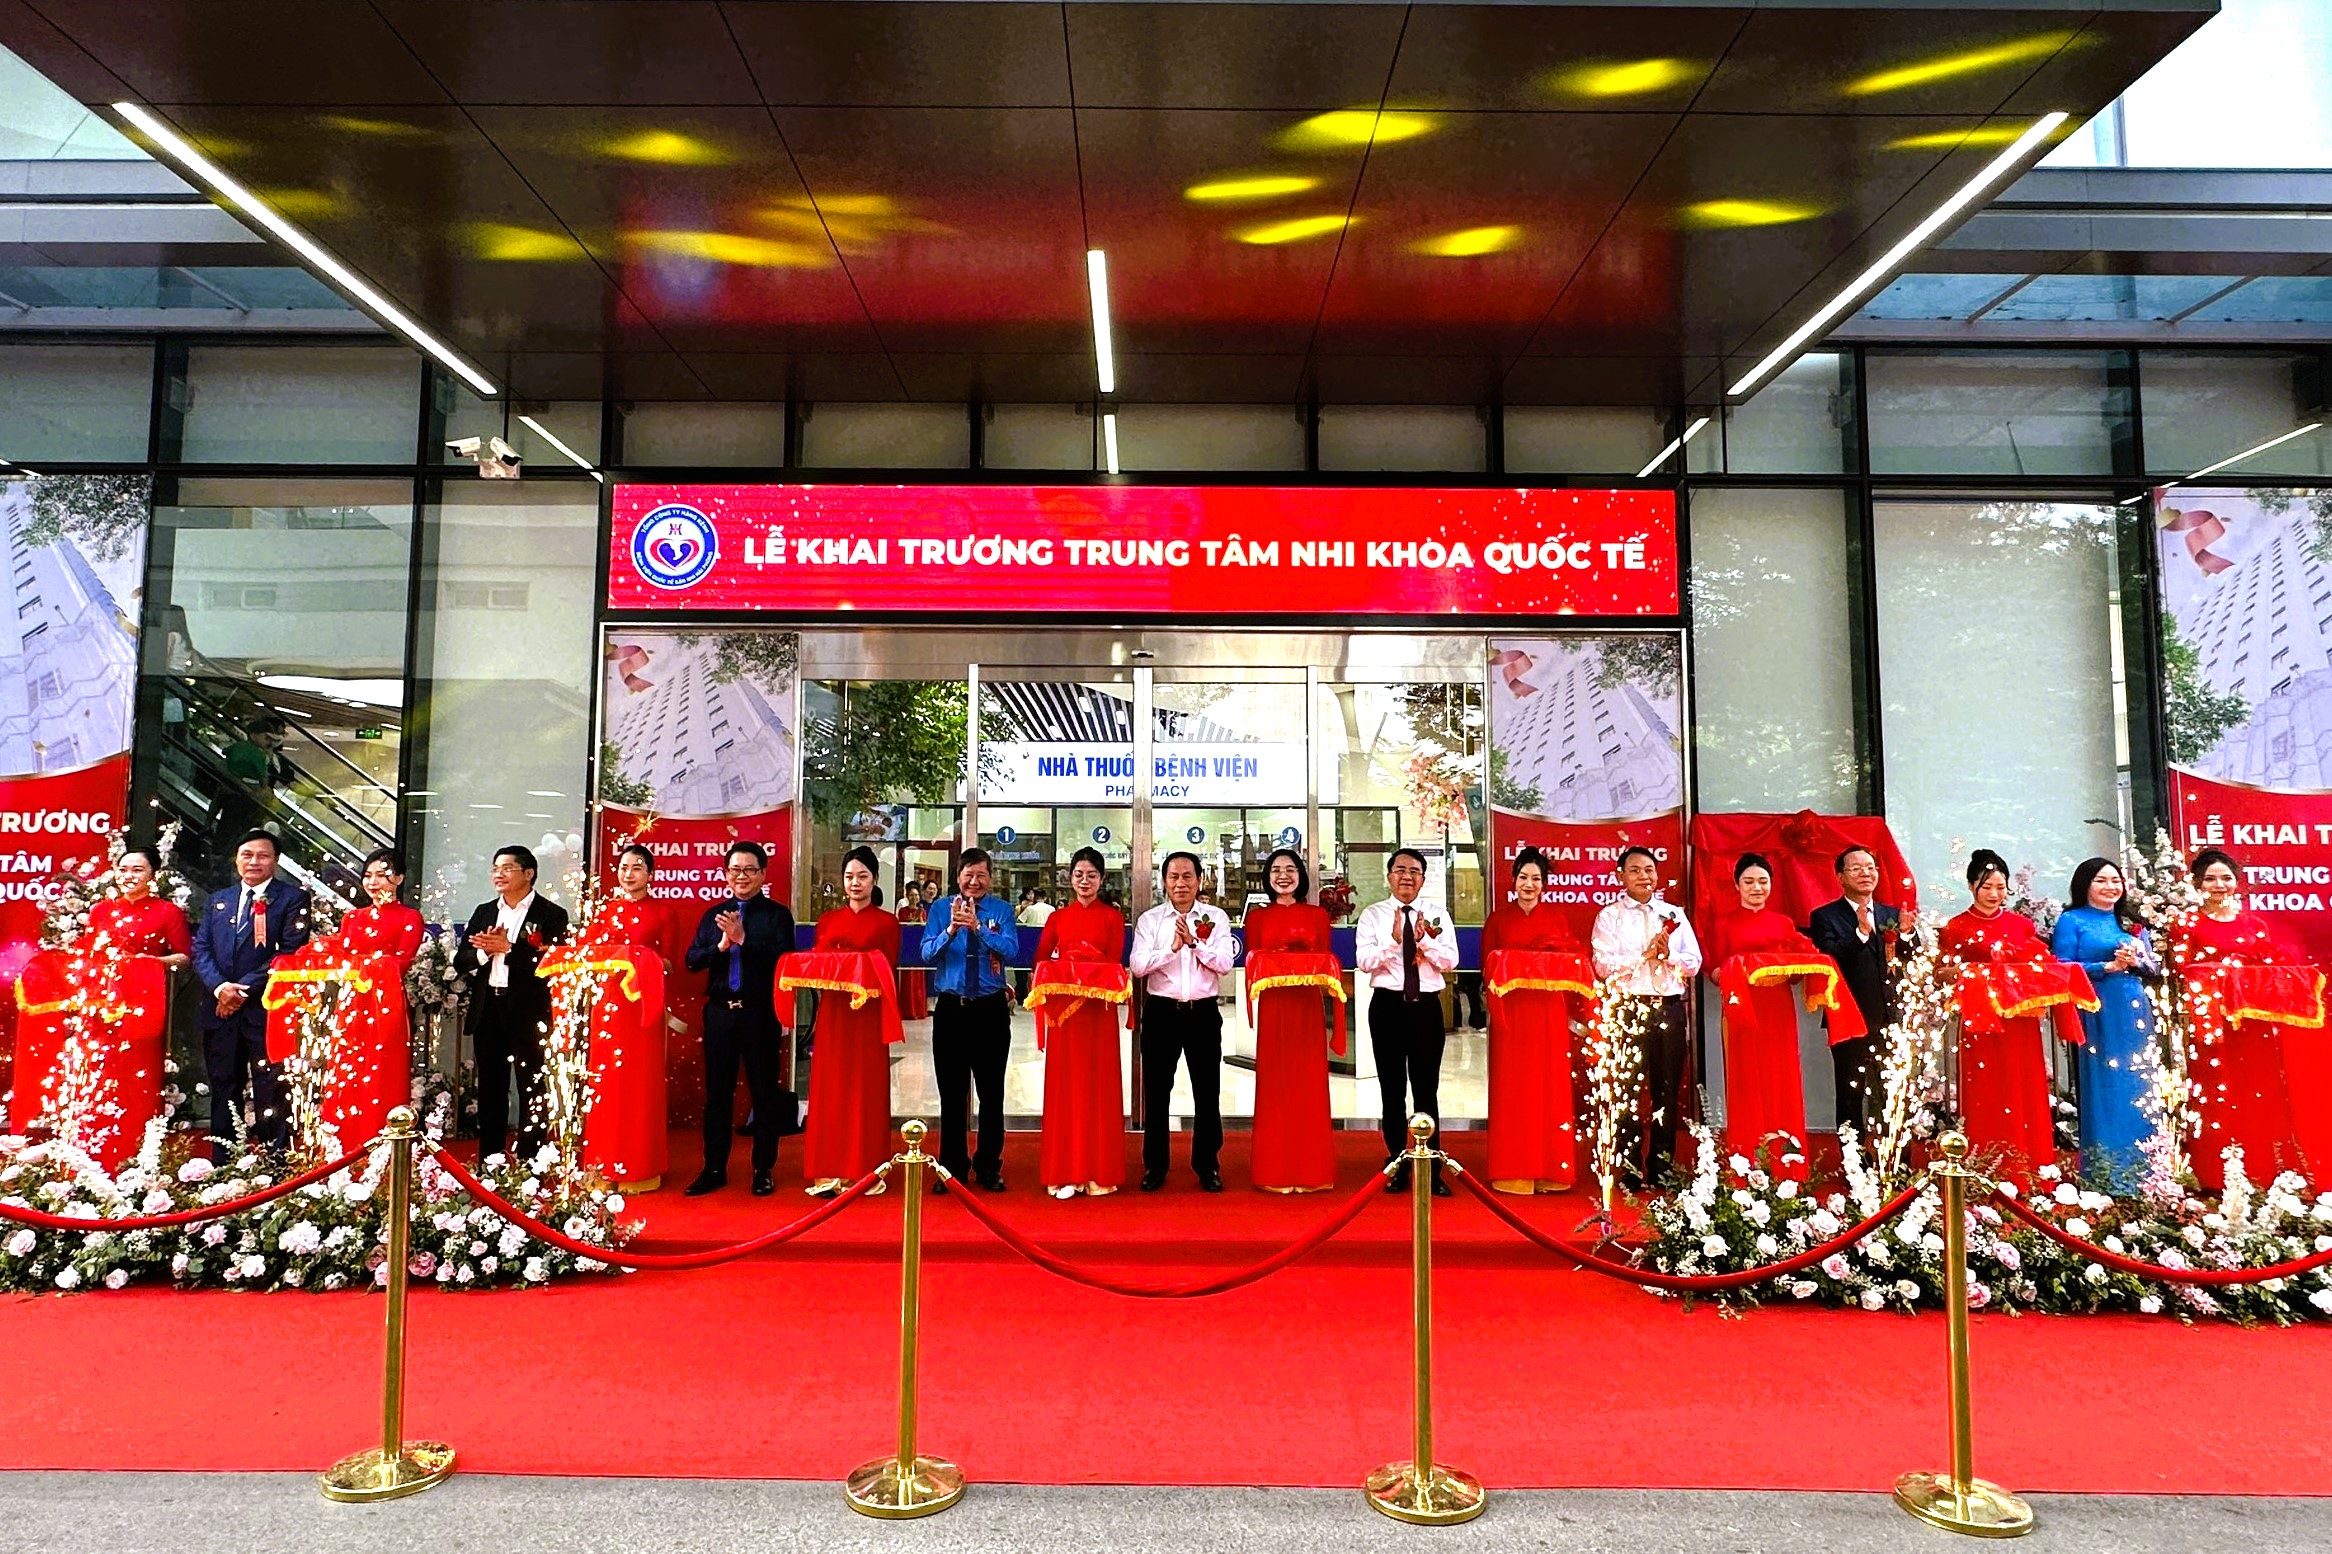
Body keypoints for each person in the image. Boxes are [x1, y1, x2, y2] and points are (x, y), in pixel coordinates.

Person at [2178, 848, 2326, 1190]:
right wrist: (2225, 973)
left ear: (2237, 882)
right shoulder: (2187, 923)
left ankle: (2262, 1172)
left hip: (2253, 1025)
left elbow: (2270, 966)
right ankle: (2214, 1175)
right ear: (2197, 884)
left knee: (2259, 1093)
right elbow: (2183, 970)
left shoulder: (2254, 925)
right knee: (2216, 1093)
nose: (2219, 885)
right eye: (2210, 879)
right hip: (2212, 1024)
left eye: (2226, 878)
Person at [1705, 851, 1844, 1183]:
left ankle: (1787, 1166)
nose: (1757, 888)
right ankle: (1745, 1166)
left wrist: (1787, 968)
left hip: (1779, 1009)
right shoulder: (1723, 924)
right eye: (1749, 881)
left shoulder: (1783, 923)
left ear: (1771, 885)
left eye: (1763, 881)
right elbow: (1713, 971)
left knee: (1783, 1079)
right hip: (1741, 1009)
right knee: (1745, 1082)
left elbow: (1798, 969)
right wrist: (1741, 969)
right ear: (1737, 885)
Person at [682, 841, 795, 1196]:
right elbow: (691, 961)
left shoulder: (777, 916)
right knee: (718, 1094)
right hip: (719, 1014)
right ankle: (714, 1167)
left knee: (764, 1093)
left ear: (763, 874)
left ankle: (763, 1169)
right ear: (726, 874)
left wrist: (743, 939)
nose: (741, 876)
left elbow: (784, 961)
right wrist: (720, 947)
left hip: (758, 1013)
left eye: (749, 870)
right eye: (735, 870)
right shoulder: (713, 914)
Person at [1938, 850, 2060, 1174]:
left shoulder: (2022, 925)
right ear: (1971, 886)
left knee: (2025, 1090)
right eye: (1986, 887)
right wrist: (1971, 970)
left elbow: (2042, 965)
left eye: (2000, 887)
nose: (1994, 894)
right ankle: (1984, 1166)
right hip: (1980, 1022)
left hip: (2020, 1021)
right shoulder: (1956, 928)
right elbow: (1941, 973)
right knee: (1985, 1092)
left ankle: (2030, 1169)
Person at [193, 829, 311, 1158]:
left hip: (265, 1008)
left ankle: (275, 1161)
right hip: (219, 1008)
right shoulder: (219, 899)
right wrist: (221, 988)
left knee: (270, 1087)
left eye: (263, 855)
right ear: (236, 859)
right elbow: (201, 949)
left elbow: (289, 952)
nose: (254, 861)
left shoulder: (293, 899)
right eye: (247, 854)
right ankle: (224, 1161)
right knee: (223, 1085)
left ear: (276, 861)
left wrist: (240, 991)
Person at [1590, 846, 1701, 1185]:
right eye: (1635, 870)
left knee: (1666, 1091)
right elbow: (1602, 967)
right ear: (1620, 876)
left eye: (1649, 870)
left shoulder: (1674, 914)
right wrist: (1644, 956)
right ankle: (1630, 1168)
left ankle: (1662, 1167)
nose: (1643, 876)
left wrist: (1668, 957)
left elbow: (1695, 963)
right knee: (1627, 1091)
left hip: (1669, 1008)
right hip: (1628, 1009)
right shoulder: (1609, 917)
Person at [1130, 850, 1239, 1192]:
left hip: (1202, 1013)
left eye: (1187, 876)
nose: (1181, 883)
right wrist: (1172, 949)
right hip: (1161, 1013)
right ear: (1164, 881)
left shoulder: (1216, 917)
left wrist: (1194, 944)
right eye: (1174, 877)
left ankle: (1207, 1166)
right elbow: (1138, 966)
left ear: (1199, 880)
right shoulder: (1150, 921)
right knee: (1156, 1092)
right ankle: (1155, 1166)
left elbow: (1225, 964)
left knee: (1207, 1092)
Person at [2051, 857, 2161, 1191]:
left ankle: (2148, 1172)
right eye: (2101, 880)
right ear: (2084, 884)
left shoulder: (2131, 921)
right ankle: (2106, 1173)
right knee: (2105, 1084)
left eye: (2115, 880)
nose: (2110, 887)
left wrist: (2136, 960)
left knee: (2139, 1084)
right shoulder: (2072, 920)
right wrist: (2106, 967)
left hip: (2133, 1008)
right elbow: (2061, 967)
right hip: (2096, 1007)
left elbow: (2153, 968)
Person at [577, 843, 683, 1191]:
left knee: (639, 1086)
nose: (629, 873)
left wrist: (636, 957)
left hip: (642, 1010)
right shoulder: (603, 913)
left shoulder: (664, 913)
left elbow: (670, 964)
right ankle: (601, 1165)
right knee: (605, 1086)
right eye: (624, 867)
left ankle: (640, 1168)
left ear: (651, 874)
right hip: (607, 1011)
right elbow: (587, 956)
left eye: (637, 867)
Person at [456, 844, 570, 1164]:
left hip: (528, 1013)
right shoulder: (484, 912)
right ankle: (490, 1161)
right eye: (495, 868)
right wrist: (485, 952)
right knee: (491, 1089)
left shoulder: (551, 915)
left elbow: (553, 964)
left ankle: (532, 1162)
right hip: (489, 1010)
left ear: (528, 873)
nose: (498, 874)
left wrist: (509, 949)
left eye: (507, 868)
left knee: (531, 1087)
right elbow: (461, 960)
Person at [799, 846, 902, 1196]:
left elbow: (888, 969)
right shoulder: (828, 921)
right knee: (830, 1088)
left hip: (868, 1015)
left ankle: (864, 1169)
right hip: (834, 1014)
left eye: (862, 876)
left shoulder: (887, 923)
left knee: (865, 1089)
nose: (855, 883)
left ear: (874, 880)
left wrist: (855, 963)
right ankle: (828, 1168)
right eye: (849, 877)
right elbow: (818, 963)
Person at [1356, 848, 1459, 1195]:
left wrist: (1423, 942)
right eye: (1400, 870)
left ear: (1423, 878)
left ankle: (1431, 1168)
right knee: (1392, 1088)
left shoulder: (1437, 914)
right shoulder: (1373, 915)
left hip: (1426, 1008)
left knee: (1426, 1088)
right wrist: (1395, 942)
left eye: (1414, 871)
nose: (1406, 876)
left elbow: (1450, 961)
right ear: (1389, 876)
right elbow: (1364, 961)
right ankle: (1397, 1163)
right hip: (1387, 1007)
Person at [1480, 846, 1582, 1194]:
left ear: (1544, 883)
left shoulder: (1557, 920)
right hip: (1511, 1015)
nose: (1529, 884)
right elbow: (1487, 966)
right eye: (1523, 877)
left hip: (1549, 1013)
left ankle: (1552, 1169)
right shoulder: (1498, 920)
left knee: (1550, 1087)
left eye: (1536, 878)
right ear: (1513, 880)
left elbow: (1573, 961)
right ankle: (1514, 1170)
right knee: (1514, 1088)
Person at [920, 848, 1019, 1191]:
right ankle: (952, 1168)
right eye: (968, 875)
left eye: (981, 875)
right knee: (952, 1094)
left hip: (990, 1010)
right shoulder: (939, 909)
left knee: (992, 1094)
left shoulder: (1002, 910)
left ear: (990, 878)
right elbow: (926, 953)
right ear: (958, 877)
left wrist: (978, 928)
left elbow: (1011, 950)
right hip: (951, 1010)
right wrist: (951, 929)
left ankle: (989, 1166)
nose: (974, 882)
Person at [1032, 847, 1128, 1198]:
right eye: (1078, 875)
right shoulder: (1058, 918)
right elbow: (1041, 961)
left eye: (1091, 875)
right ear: (1069, 879)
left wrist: (1080, 967)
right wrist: (1067, 969)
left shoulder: (1112, 918)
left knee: (1098, 1088)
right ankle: (1065, 1170)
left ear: (1101, 880)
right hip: (1064, 1019)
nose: (1084, 881)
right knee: (1066, 1089)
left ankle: (1098, 1171)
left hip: (1098, 1016)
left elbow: (1114, 964)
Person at [1244, 847, 1340, 1193]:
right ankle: (1275, 1171)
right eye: (1276, 870)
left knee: (1308, 1083)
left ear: (1301, 876)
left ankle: (1312, 1171)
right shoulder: (1257, 918)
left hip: (1307, 1008)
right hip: (1274, 1008)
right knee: (1275, 1084)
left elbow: (1326, 959)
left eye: (1290, 869)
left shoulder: (1318, 916)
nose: (1283, 876)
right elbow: (1253, 962)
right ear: (1267, 877)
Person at [322, 846, 427, 1147]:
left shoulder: (410, 918)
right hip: (351, 1004)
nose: (373, 882)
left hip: (386, 1005)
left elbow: (402, 962)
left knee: (383, 1071)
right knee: (347, 1070)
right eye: (368, 875)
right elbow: (342, 958)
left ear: (400, 879)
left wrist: (362, 964)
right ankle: (343, 1144)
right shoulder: (352, 918)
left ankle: (380, 1143)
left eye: (382, 875)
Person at [1806, 846, 1905, 1133]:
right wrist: (1860, 933)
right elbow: (1829, 959)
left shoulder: (1891, 914)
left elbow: (1910, 959)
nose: (1866, 873)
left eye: (1870, 867)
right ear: (1840, 877)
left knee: (1892, 1092)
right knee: (1851, 1092)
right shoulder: (1825, 917)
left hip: (1891, 1016)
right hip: (1849, 1018)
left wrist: (1909, 934)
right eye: (1856, 868)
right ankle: (1853, 1156)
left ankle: (1895, 1156)